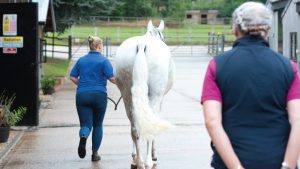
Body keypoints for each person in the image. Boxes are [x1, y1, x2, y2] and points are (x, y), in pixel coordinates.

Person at [201, 2, 300, 169]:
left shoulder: (216, 66)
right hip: (276, 160)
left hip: (230, 162)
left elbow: (212, 121)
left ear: (235, 29)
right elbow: (298, 119)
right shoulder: (289, 67)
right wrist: (288, 165)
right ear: (268, 31)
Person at [70, 35, 116, 161]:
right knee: (98, 125)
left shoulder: (81, 60)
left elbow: (73, 77)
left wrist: (83, 85)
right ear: (99, 46)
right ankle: (95, 154)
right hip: (99, 95)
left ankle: (83, 136)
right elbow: (112, 78)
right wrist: (124, 84)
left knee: (86, 124)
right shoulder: (104, 60)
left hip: (82, 95)